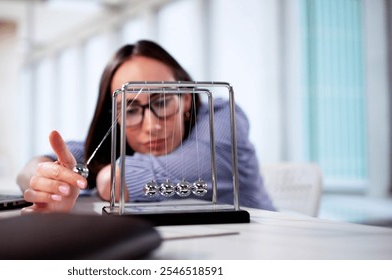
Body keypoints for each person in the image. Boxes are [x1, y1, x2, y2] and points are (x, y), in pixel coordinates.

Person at [17, 40, 275, 214]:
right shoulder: (118, 140)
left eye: (162, 102)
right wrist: (45, 179)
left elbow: (206, 164)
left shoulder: (221, 115)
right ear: (115, 117)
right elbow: (56, 160)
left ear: (185, 99)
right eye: (130, 110)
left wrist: (110, 177)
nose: (151, 127)